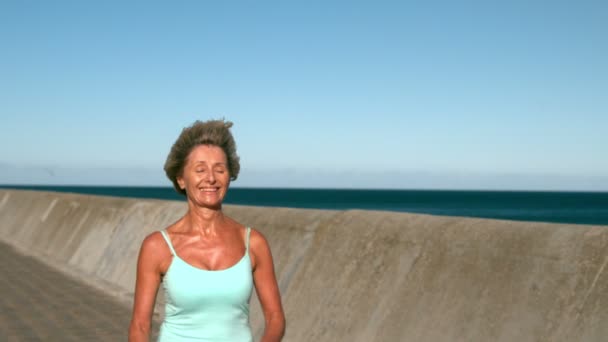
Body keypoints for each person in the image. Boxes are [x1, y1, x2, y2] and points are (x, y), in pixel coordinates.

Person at [129, 119, 285, 342]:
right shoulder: (157, 246)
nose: (211, 178)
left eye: (219, 169)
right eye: (200, 169)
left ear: (229, 176)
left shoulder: (253, 242)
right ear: (181, 179)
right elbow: (139, 326)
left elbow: (275, 317)